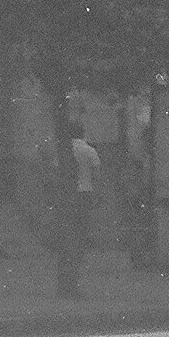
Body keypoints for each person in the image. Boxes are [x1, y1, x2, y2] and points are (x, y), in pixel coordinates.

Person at [52, 119, 104, 298]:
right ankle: (79, 253)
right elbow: (97, 175)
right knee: (82, 228)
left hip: (68, 195)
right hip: (85, 193)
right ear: (83, 132)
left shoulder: (63, 151)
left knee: (68, 231)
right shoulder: (89, 150)